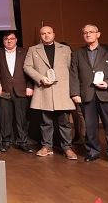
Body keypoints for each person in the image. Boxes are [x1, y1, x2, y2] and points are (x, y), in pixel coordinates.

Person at [70, 24, 108, 165]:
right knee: (91, 126)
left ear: (98, 34)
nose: (88, 34)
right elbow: (74, 74)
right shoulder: (76, 53)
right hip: (86, 94)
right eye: (85, 32)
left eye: (91, 32)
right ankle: (92, 151)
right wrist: (75, 93)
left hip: (107, 93)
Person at [23, 26, 77, 160]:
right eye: (43, 34)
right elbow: (27, 66)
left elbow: (72, 69)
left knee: (64, 122)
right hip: (44, 89)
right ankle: (46, 146)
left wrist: (74, 91)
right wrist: (40, 78)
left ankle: (67, 148)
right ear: (40, 36)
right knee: (45, 121)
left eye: (49, 33)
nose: (46, 35)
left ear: (54, 34)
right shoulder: (33, 49)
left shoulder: (65, 49)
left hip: (62, 90)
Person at [0, 31, 34, 153]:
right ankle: (5, 142)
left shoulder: (25, 52)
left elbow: (31, 70)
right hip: (4, 90)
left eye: (12, 38)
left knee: (22, 118)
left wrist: (29, 86)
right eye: (6, 39)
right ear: (3, 40)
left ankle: (22, 142)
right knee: (5, 118)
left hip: (22, 89)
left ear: (16, 40)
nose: (9, 41)